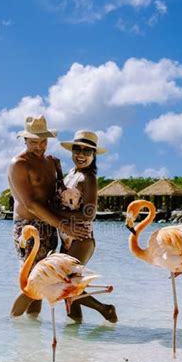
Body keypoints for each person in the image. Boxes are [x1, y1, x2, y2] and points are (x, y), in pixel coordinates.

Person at [8, 116, 90, 317]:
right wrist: (64, 225)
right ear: (25, 140)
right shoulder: (19, 164)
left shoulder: (52, 162)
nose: (39, 146)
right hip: (28, 227)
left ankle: (33, 330)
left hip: (51, 225)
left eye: (43, 141)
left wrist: (73, 221)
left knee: (47, 280)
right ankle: (15, 326)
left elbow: (60, 194)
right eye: (34, 142)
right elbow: (31, 204)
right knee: (31, 284)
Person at [58, 130, 117, 323]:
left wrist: (57, 215)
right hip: (66, 237)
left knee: (67, 286)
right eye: (77, 149)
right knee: (67, 290)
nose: (81, 155)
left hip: (81, 239)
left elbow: (89, 213)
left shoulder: (88, 178)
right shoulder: (71, 174)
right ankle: (74, 338)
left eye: (87, 151)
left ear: (94, 155)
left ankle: (105, 309)